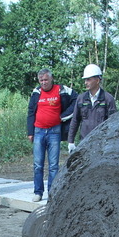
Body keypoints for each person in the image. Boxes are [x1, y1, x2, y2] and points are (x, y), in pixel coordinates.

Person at [26, 69, 75, 202]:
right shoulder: (36, 92)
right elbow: (30, 111)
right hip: (39, 131)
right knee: (38, 164)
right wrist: (30, 131)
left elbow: (76, 100)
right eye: (41, 80)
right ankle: (38, 192)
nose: (44, 83)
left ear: (51, 79)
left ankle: (52, 193)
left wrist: (64, 116)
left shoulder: (61, 90)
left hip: (55, 131)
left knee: (53, 165)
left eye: (46, 80)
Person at [68, 63, 118, 151]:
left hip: (102, 144)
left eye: (88, 80)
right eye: (85, 80)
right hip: (84, 143)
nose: (85, 83)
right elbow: (75, 120)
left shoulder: (108, 99)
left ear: (97, 80)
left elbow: (114, 124)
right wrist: (71, 142)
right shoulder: (81, 99)